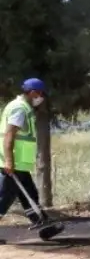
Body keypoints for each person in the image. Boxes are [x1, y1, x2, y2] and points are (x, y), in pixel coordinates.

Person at [0, 78, 58, 243]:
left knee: (30, 195)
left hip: (19, 164)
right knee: (3, 198)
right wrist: (9, 162)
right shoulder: (19, 109)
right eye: (40, 94)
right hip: (13, 163)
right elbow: (9, 137)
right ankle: (44, 224)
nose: (41, 97)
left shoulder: (22, 107)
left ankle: (44, 225)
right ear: (33, 92)